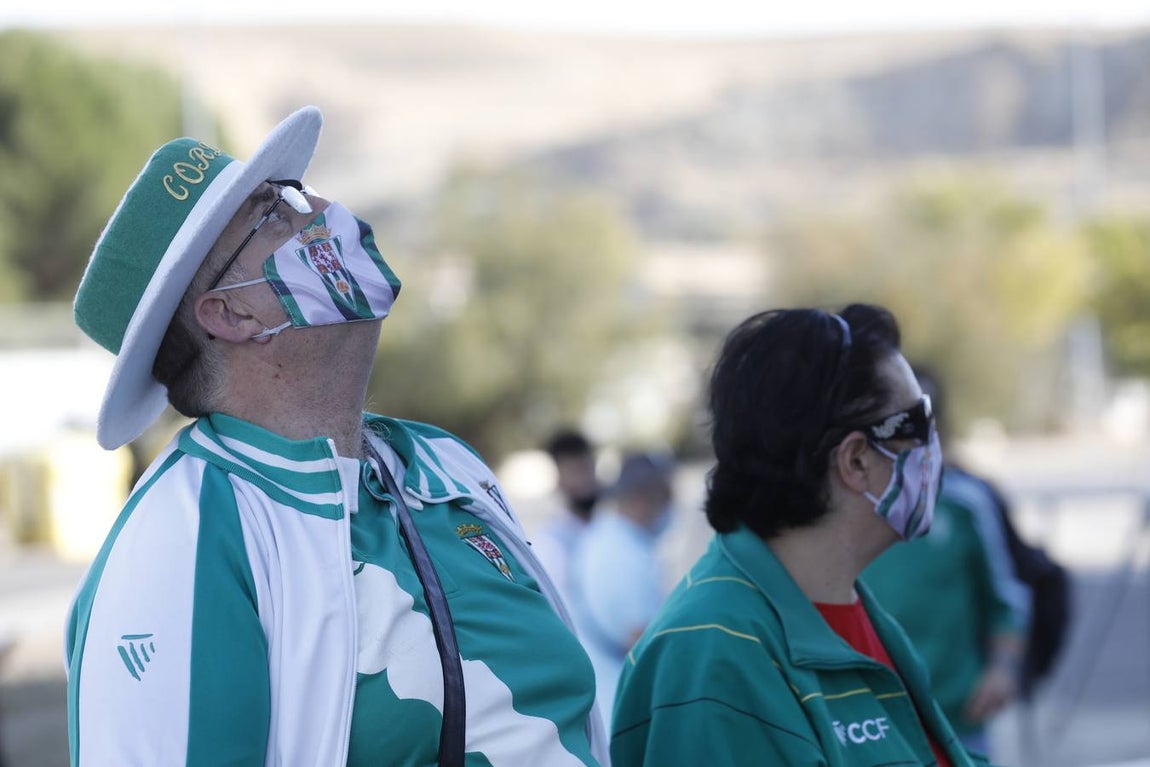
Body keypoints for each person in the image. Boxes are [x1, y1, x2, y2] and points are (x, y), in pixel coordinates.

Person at [63, 106, 608, 766]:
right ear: (231, 311)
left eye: (294, 193)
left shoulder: (442, 464)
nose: (319, 210)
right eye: (273, 214)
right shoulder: (187, 532)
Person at [611, 304, 989, 766]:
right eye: (917, 424)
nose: (935, 446)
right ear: (855, 461)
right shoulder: (712, 656)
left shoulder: (851, 611)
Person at [864, 365, 1031, 756]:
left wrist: (1001, 671)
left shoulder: (965, 503)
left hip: (957, 716)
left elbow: (1006, 601)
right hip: (872, 719)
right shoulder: (852, 507)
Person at [568, 450, 675, 728]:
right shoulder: (623, 556)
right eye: (666, 496)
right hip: (621, 707)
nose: (671, 506)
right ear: (641, 498)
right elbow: (641, 642)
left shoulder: (606, 538)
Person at [533, 428, 602, 605]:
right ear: (558, 478)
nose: (584, 480)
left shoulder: (610, 526)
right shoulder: (551, 541)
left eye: (586, 468)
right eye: (574, 471)